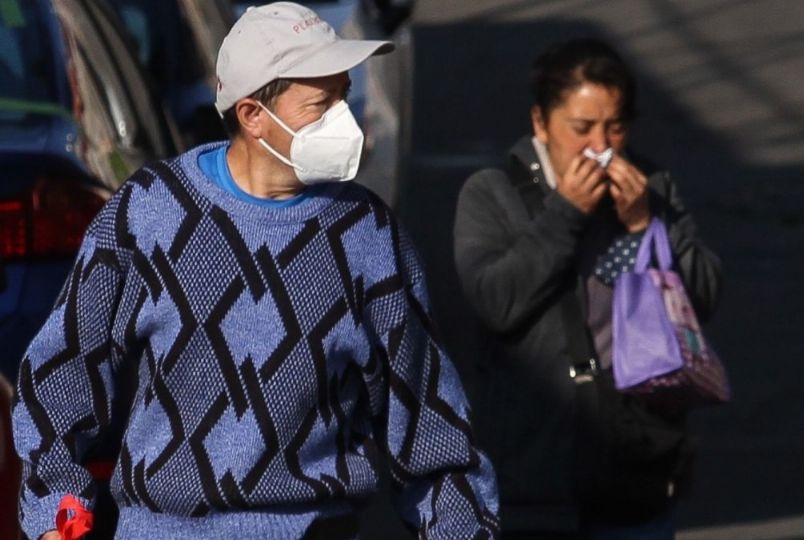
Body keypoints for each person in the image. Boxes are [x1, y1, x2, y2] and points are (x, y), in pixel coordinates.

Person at [13, 3, 499, 539]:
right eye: (322, 103)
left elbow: (429, 421)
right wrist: (55, 508)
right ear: (252, 116)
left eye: (343, 94)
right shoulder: (149, 214)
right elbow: (62, 371)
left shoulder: (367, 235)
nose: (346, 117)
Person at [453, 38, 722, 539]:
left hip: (635, 470)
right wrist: (566, 213)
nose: (600, 146)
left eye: (615, 127)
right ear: (540, 123)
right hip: (532, 476)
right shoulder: (492, 194)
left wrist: (644, 227)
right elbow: (497, 302)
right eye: (582, 129)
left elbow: (701, 298)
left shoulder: (650, 186)